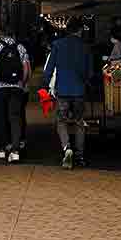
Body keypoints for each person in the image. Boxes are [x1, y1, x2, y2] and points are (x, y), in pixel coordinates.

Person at [43, 18, 92, 169]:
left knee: (61, 121)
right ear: (80, 30)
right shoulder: (85, 47)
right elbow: (90, 72)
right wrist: (84, 82)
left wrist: (45, 86)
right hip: (79, 91)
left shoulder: (57, 45)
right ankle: (80, 155)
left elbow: (49, 69)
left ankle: (67, 148)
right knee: (79, 122)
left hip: (62, 90)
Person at [0, 33, 30, 164]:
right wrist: (22, 82)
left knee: (0, 117)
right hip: (16, 87)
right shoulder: (21, 47)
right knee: (15, 117)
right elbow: (26, 68)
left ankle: (2, 149)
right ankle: (15, 151)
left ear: (1, 35)